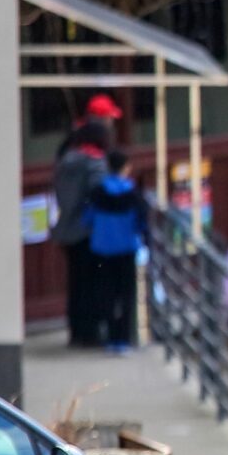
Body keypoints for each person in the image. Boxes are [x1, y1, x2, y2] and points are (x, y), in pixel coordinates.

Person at [52, 121, 111, 347]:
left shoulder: (64, 161)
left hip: (67, 230)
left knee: (76, 284)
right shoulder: (95, 163)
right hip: (89, 231)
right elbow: (99, 192)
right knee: (94, 284)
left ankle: (77, 332)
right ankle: (92, 333)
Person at [87, 149, 147, 354]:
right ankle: (123, 339)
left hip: (102, 250)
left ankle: (110, 338)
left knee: (106, 294)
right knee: (126, 295)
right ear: (126, 167)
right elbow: (141, 223)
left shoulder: (97, 192)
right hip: (126, 249)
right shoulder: (133, 193)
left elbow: (87, 219)